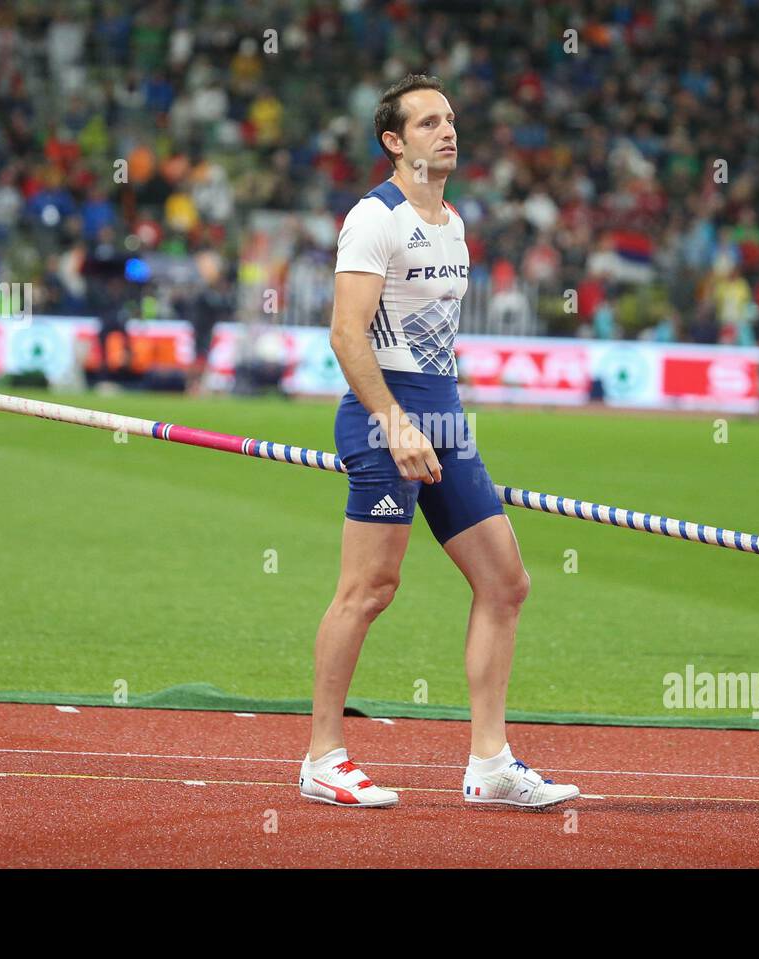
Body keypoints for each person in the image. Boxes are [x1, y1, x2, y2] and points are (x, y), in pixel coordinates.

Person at [299, 75, 579, 810]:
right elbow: (344, 332)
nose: (447, 131)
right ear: (394, 141)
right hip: (381, 418)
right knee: (369, 590)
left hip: (446, 421)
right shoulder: (374, 218)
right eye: (427, 122)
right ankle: (322, 755)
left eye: (450, 119)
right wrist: (393, 421)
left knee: (505, 583)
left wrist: (435, 421)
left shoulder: (453, 223)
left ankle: (490, 763)